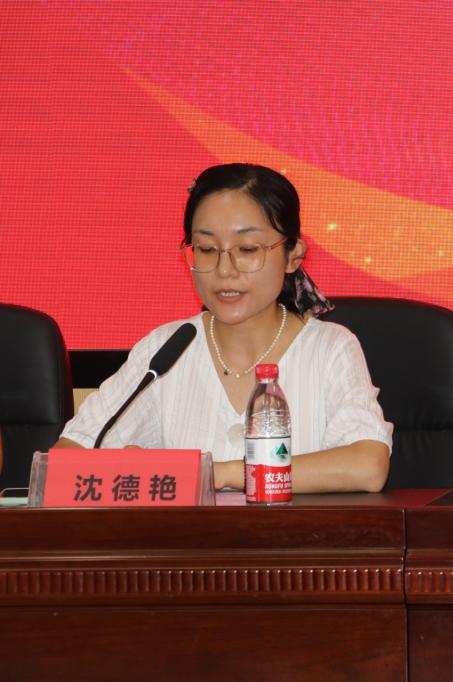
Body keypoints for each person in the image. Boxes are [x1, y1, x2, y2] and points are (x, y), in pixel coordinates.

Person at [55, 163, 392, 492]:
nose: (224, 270)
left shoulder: (330, 348)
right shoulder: (166, 349)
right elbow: (65, 458)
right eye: (206, 249)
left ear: (293, 256)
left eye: (247, 249)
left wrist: (221, 473)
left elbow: (367, 466)